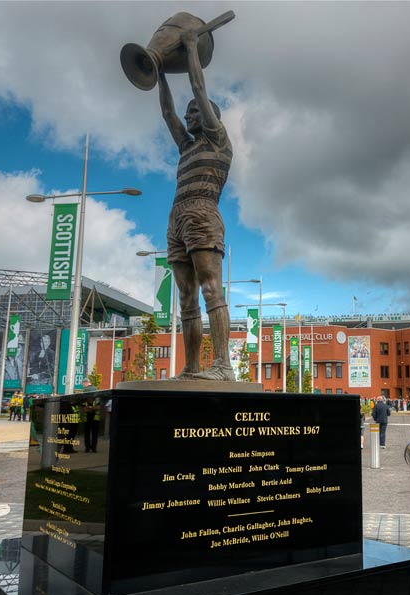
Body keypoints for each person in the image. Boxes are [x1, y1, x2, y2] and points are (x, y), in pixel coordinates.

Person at [157, 28, 233, 381]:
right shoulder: (187, 147)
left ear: (207, 115)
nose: (187, 117)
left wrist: (190, 49)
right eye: (188, 113)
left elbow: (199, 89)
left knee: (210, 288)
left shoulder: (218, 140)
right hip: (177, 218)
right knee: (186, 296)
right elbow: (167, 113)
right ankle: (192, 367)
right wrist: (157, 69)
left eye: (193, 112)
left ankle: (223, 365)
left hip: (203, 212)